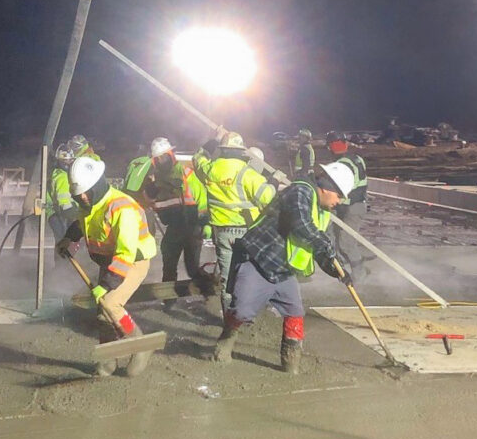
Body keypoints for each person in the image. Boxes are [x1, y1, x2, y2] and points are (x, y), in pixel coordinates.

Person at [215, 161, 355, 373]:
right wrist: (325, 243)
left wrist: (337, 271)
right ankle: (227, 338)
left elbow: (317, 247)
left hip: (283, 270)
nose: (340, 202)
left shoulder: (323, 211)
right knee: (242, 311)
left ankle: (291, 364)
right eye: (339, 196)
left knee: (295, 311)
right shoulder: (299, 191)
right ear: (327, 187)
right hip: (258, 260)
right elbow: (301, 224)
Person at [56, 156, 158, 375]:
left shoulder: (122, 207)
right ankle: (107, 361)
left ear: (98, 185)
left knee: (110, 302)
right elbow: (81, 222)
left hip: (132, 261)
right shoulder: (88, 203)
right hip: (110, 261)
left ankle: (140, 345)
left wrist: (107, 283)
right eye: (78, 194)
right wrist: (69, 238)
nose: (82, 197)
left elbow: (125, 254)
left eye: (86, 192)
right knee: (103, 313)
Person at [197, 131, 276, 310]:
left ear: (222, 149)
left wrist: (213, 139)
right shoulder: (246, 172)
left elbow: (198, 158)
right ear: (242, 151)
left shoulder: (210, 169)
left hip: (222, 232)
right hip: (246, 231)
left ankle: (230, 319)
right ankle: (248, 313)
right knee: (250, 274)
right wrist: (275, 181)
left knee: (228, 278)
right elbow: (267, 197)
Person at [139, 138, 213, 295]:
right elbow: (148, 203)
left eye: (164, 156)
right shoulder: (155, 181)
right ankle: (168, 299)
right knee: (169, 266)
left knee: (192, 268)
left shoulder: (187, 174)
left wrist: (206, 223)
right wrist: (150, 192)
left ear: (171, 155)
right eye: (157, 158)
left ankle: (209, 290)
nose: (161, 161)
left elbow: (203, 200)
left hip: (192, 227)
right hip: (174, 229)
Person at [325, 133, 371, 274]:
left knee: (346, 242)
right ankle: (341, 269)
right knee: (334, 236)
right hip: (353, 206)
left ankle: (360, 273)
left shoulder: (340, 166)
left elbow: (341, 190)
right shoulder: (357, 159)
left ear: (330, 147)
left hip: (351, 207)